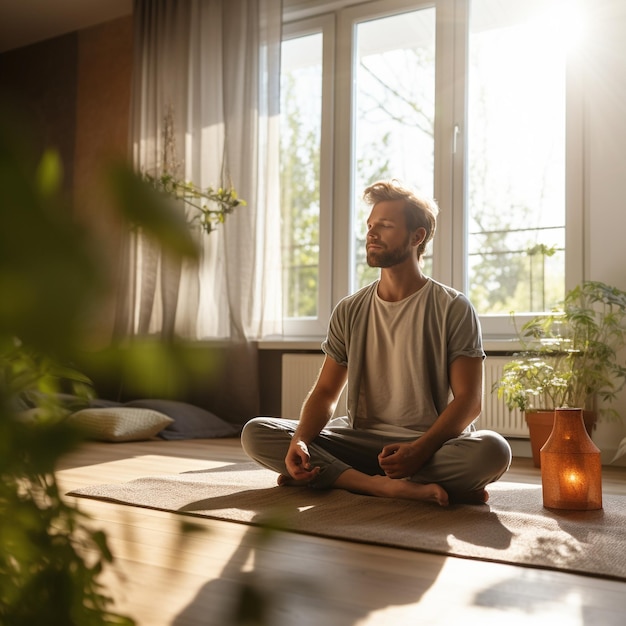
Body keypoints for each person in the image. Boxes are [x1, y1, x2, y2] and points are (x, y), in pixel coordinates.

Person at [241, 180, 512, 506]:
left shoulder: (453, 307)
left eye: (385, 225)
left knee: (493, 450)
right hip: (358, 440)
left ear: (417, 236)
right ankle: (384, 486)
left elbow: (469, 402)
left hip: (430, 443)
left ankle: (337, 477)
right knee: (256, 432)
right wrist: (300, 441)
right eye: (370, 225)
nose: (371, 233)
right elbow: (326, 392)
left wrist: (421, 449)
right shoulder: (350, 309)